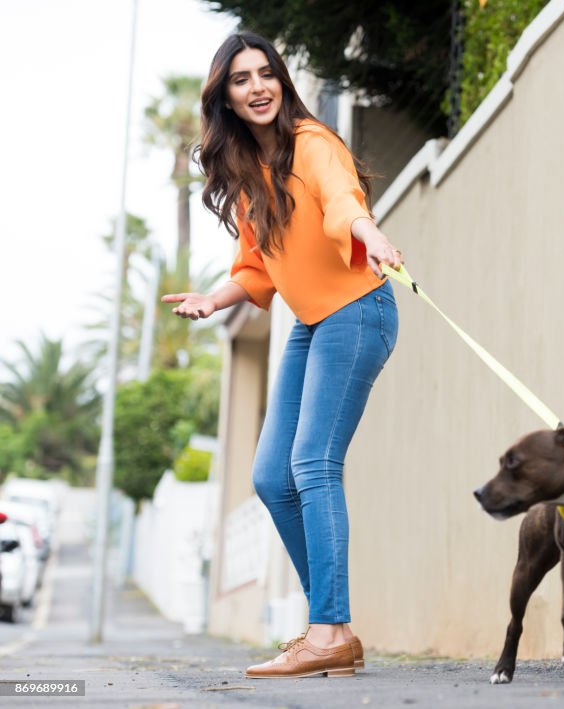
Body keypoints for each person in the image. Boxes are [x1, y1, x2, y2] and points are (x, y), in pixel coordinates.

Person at [162, 31, 403, 679]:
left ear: (281, 80)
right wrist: (215, 298)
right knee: (272, 477)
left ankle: (327, 627)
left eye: (266, 73)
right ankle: (335, 626)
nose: (257, 86)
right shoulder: (246, 176)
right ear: (227, 98)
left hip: (358, 311)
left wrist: (367, 230)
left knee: (313, 461)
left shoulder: (314, 143)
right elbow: (257, 268)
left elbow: (340, 200)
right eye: (241, 79)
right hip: (311, 324)